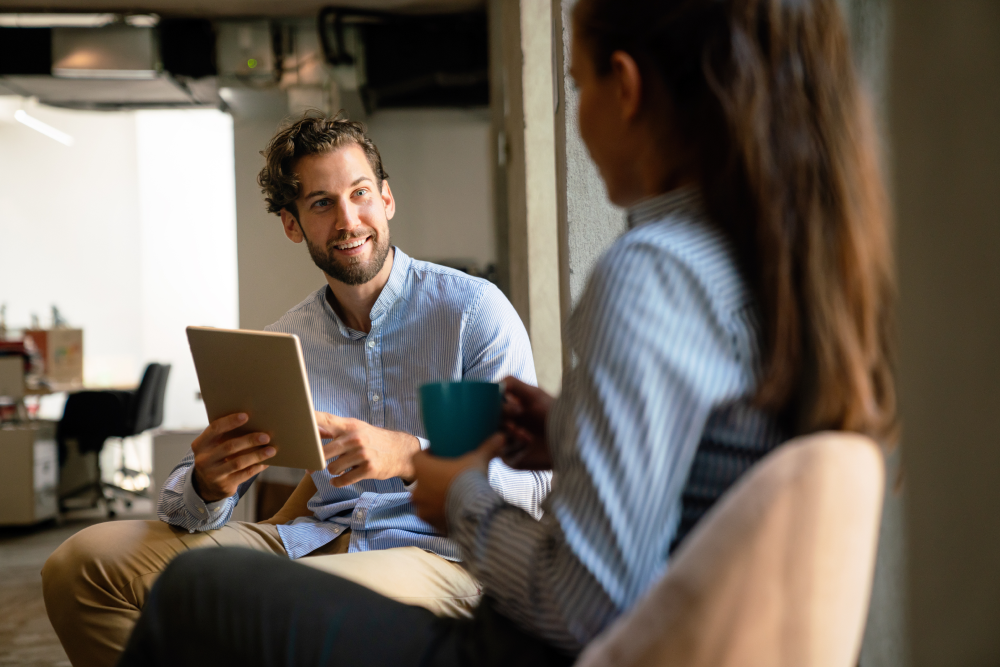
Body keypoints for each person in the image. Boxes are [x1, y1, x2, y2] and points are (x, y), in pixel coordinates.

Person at [116, 0, 898, 664]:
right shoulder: (781, 263)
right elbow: (703, 472)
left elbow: (580, 602)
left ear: (622, 88)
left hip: (515, 644)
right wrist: (573, 431)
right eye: (321, 203)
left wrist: (452, 490)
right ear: (294, 224)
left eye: (577, 84)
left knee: (192, 593)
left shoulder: (651, 272)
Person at [41, 116, 550, 667]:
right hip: (312, 536)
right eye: (322, 204)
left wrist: (408, 456)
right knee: (82, 565)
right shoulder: (283, 342)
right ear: (292, 224)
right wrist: (209, 483)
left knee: (262, 599)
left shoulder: (473, 313)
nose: (349, 220)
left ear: (386, 199)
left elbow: (524, 488)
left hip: (439, 556)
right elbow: (188, 508)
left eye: (360, 194)